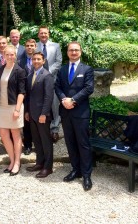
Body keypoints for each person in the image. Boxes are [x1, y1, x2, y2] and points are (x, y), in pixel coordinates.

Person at [55, 41, 94, 191]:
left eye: (76, 50)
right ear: (67, 52)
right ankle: (75, 169)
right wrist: (64, 99)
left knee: (83, 144)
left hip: (80, 113)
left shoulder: (87, 69)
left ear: (80, 52)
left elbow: (89, 88)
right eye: (71, 50)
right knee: (70, 143)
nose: (73, 52)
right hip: (66, 112)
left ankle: (86, 175)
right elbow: (57, 86)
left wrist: (73, 100)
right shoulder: (63, 69)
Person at [0, 45, 26, 176]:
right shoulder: (0, 70)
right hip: (2, 107)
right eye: (7, 54)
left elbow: (22, 92)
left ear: (15, 55)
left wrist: (17, 109)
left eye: (12, 54)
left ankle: (17, 162)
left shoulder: (20, 71)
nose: (9, 56)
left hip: (14, 106)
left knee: (16, 134)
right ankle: (12, 160)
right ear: (4, 56)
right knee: (4, 134)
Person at [25, 52, 54, 178]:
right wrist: (27, 111)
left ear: (43, 61)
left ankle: (48, 167)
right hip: (32, 114)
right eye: (34, 59)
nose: (36, 61)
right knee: (37, 140)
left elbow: (48, 97)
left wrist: (44, 114)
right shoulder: (30, 75)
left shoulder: (47, 75)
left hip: (42, 115)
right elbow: (29, 96)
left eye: (38, 59)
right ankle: (39, 162)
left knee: (45, 141)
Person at [37, 26, 62, 142]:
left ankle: (55, 129)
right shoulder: (35, 46)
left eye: (45, 33)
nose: (43, 35)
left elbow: (58, 62)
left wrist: (47, 73)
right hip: (37, 81)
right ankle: (41, 129)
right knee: (40, 104)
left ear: (49, 34)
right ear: (38, 35)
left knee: (54, 104)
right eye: (41, 33)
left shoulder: (56, 46)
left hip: (53, 80)